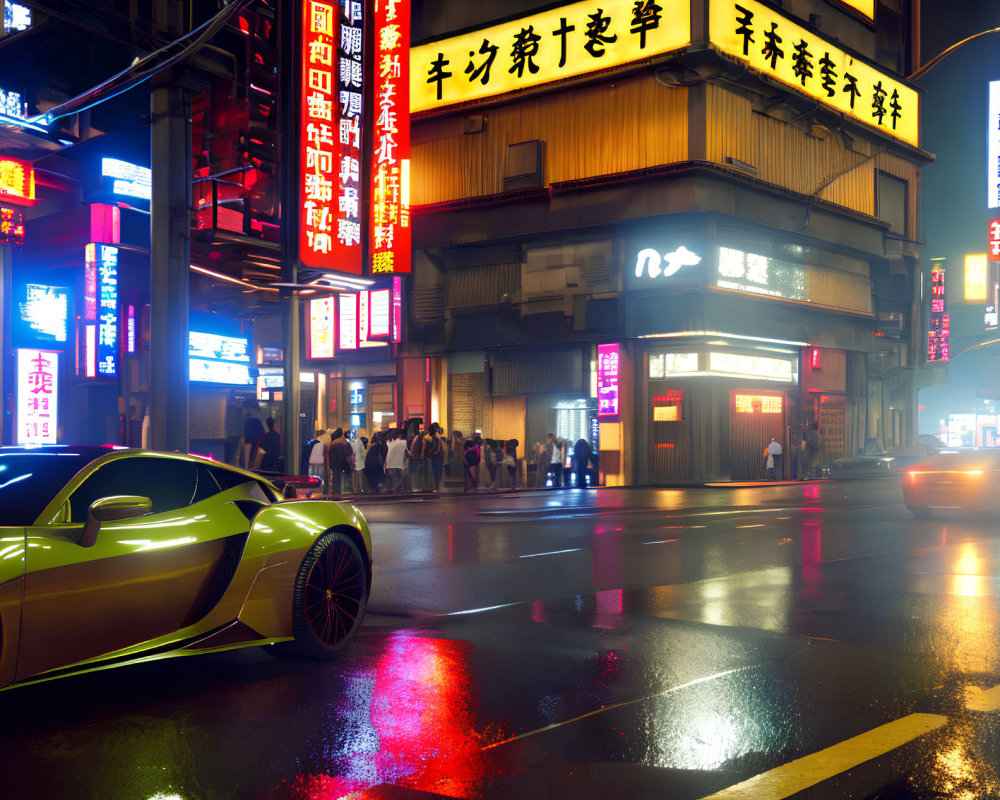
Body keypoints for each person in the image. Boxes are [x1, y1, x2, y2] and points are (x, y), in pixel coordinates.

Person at [327, 427, 351, 495]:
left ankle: (336, 491)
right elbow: (349, 453)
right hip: (342, 462)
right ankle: (340, 491)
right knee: (340, 478)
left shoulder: (333, 442)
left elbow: (330, 454)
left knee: (335, 478)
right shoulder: (344, 442)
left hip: (335, 463)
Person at [306, 429, 327, 494]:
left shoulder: (312, 443)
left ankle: (313, 489)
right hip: (320, 461)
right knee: (319, 476)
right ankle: (319, 490)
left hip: (312, 460)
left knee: (313, 476)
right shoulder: (322, 443)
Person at [428, 423, 445, 492]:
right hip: (436, 456)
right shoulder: (434, 437)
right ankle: (436, 486)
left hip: (436, 456)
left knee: (436, 471)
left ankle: (436, 486)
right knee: (436, 471)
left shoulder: (435, 437)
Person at [352, 428, 369, 493]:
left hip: (356, 463)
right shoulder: (360, 444)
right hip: (360, 463)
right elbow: (363, 454)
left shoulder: (355, 442)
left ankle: (358, 490)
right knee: (361, 479)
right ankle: (362, 491)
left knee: (357, 480)